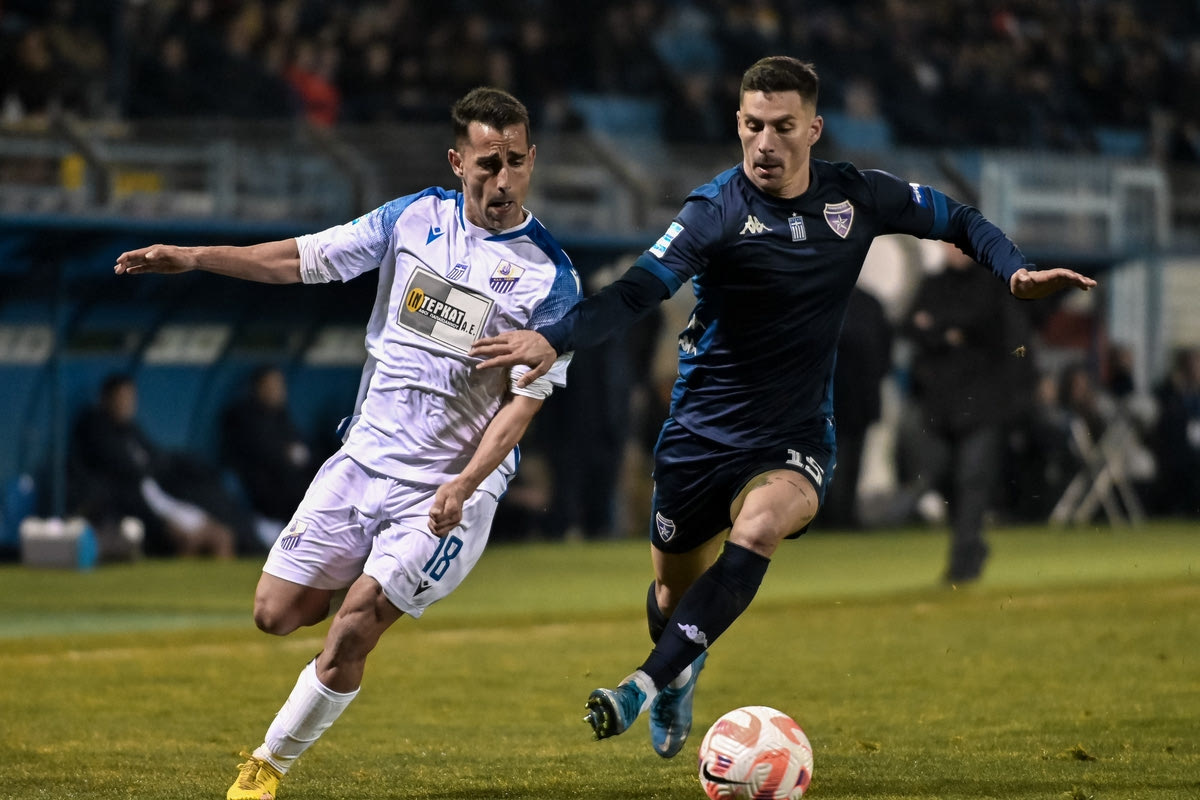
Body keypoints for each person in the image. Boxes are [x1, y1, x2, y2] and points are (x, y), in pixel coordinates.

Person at [470, 56, 1096, 757]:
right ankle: (679, 669)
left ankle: (642, 684)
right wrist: (554, 337)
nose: (765, 143)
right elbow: (637, 291)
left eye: (783, 127)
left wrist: (1014, 270)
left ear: (814, 129)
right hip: (700, 433)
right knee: (672, 596)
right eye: (753, 125)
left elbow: (958, 219)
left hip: (795, 433)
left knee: (761, 525)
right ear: (739, 124)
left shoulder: (856, 197)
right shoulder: (714, 210)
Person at [114, 86, 581, 800]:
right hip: (363, 460)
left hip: (448, 489)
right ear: (457, 161)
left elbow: (522, 406)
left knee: (356, 624)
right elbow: (299, 259)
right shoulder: (410, 220)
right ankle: (372, 572)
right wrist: (195, 256)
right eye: (488, 163)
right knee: (275, 614)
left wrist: (463, 484)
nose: (503, 179)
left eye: (516, 161)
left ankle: (267, 765)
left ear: (532, 159)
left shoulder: (552, 277)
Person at [896, 241, 1015, 581]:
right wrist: (947, 332)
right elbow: (909, 325)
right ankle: (971, 546)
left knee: (972, 479)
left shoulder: (990, 284)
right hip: (940, 406)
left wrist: (935, 325)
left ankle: (963, 561)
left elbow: (986, 328)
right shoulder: (933, 283)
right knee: (941, 478)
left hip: (980, 405)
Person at [69, 372, 239, 559]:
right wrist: (145, 468)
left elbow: (158, 459)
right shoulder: (95, 429)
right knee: (189, 539)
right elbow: (125, 468)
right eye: (121, 398)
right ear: (106, 399)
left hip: (163, 497)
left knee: (223, 536)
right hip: (134, 508)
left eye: (130, 398)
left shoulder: (133, 430)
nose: (126, 403)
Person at [220, 365, 318, 549]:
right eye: (271, 386)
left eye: (280, 386)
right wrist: (287, 454)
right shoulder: (242, 416)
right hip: (262, 487)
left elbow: (302, 450)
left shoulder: (281, 416)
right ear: (258, 388)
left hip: (290, 481)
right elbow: (264, 452)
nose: (278, 391)